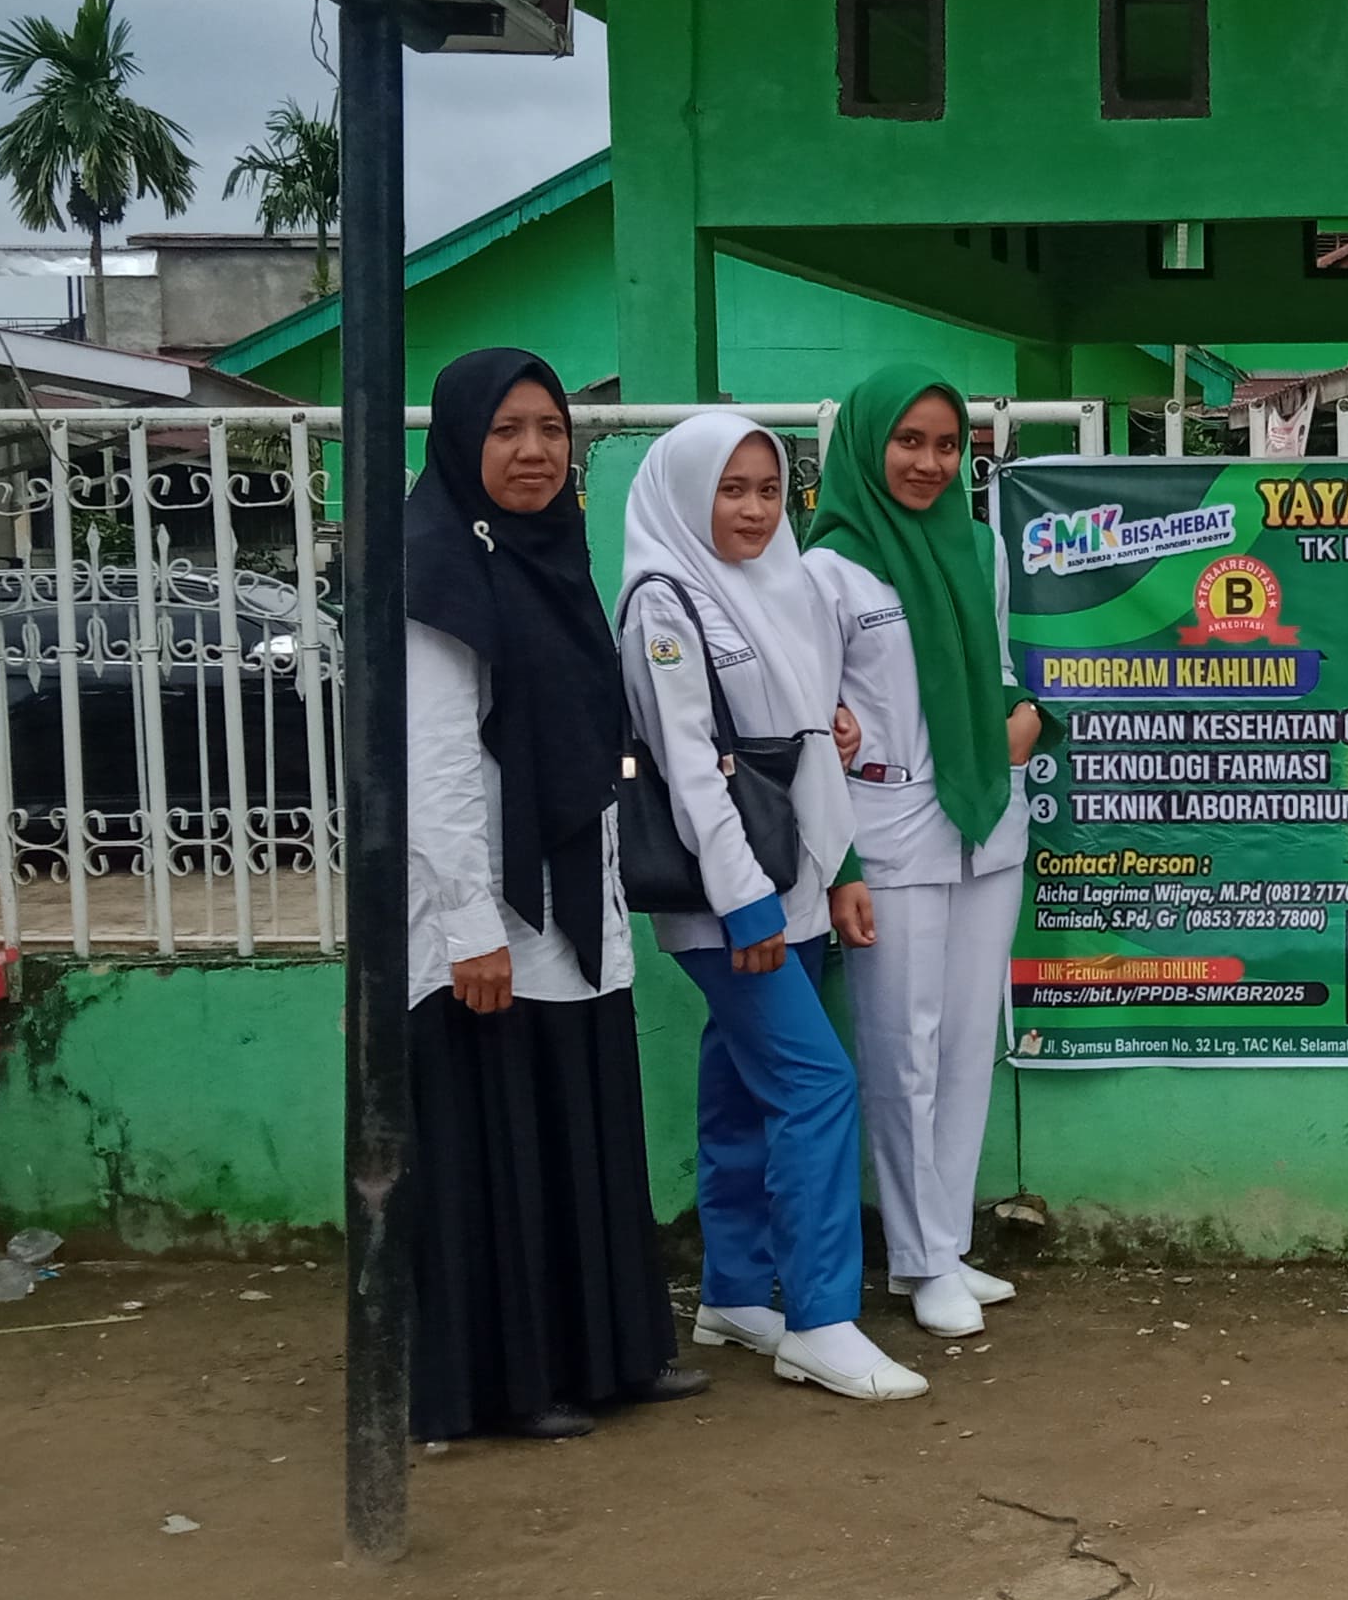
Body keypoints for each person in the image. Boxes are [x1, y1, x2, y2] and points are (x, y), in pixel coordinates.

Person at [400, 349, 702, 1442]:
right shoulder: (435, 569)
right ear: (459, 441)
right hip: (487, 918)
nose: (533, 452)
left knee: (580, 1128)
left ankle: (608, 1357)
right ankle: (510, 1384)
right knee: (502, 1146)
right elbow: (434, 764)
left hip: (572, 903)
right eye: (505, 431)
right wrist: (469, 927)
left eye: (550, 430)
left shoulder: (552, 556)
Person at [622, 410, 924, 1404]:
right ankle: (820, 1319)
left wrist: (837, 867)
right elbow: (689, 770)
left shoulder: (776, 586)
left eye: (766, 489)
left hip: (791, 880)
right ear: (684, 493)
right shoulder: (665, 600)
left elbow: (799, 739)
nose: (753, 510)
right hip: (732, 897)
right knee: (816, 1085)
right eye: (730, 489)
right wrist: (745, 903)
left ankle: (736, 1291)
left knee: (740, 1084)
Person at [807, 368, 1040, 1341]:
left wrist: (1027, 714)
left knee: (965, 1046)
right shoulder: (829, 569)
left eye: (948, 446)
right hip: (888, 826)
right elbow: (808, 722)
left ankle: (944, 1241)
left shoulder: (979, 545)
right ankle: (917, 1256)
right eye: (909, 441)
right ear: (868, 446)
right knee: (902, 1047)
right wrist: (839, 869)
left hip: (986, 818)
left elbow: (993, 667)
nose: (930, 463)